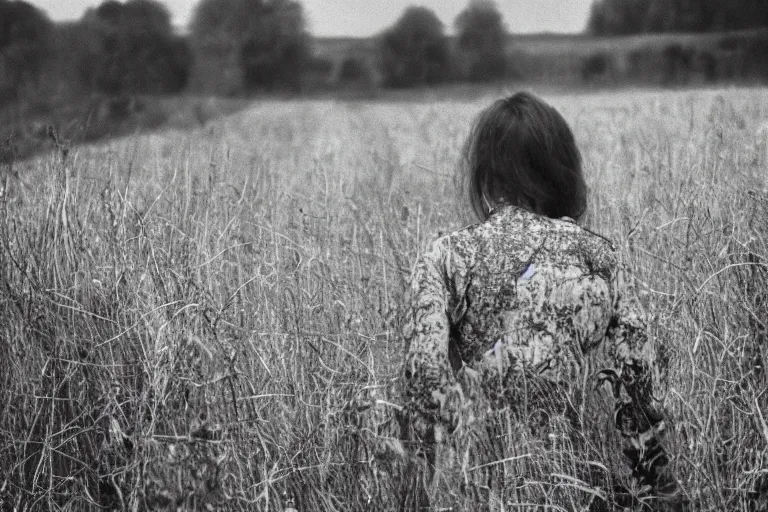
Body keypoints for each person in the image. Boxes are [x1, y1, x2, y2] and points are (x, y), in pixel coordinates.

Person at [400, 92, 679, 509]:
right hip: (576, 486)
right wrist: (657, 488)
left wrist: (439, 480)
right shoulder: (599, 255)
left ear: (487, 175)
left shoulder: (446, 255)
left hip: (478, 490)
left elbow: (423, 375)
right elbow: (636, 383)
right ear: (561, 171)